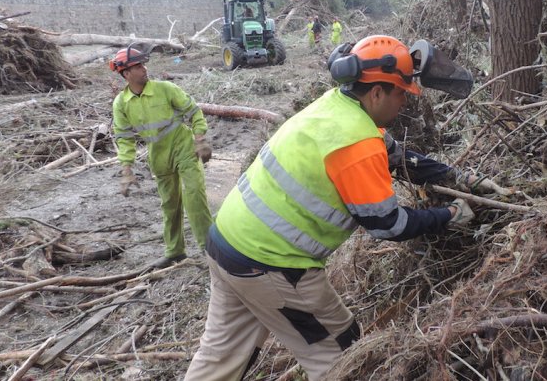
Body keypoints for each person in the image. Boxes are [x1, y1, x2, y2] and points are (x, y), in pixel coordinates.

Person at [184, 35, 482, 380]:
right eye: (401, 93)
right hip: (272, 265)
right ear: (377, 92)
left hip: (225, 243)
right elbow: (389, 224)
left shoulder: (336, 105)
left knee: (219, 355)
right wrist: (450, 215)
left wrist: (457, 177)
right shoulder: (358, 142)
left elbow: (396, 156)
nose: (404, 103)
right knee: (342, 356)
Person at [110, 44, 213, 269]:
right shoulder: (121, 104)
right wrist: (126, 170)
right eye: (138, 66)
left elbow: (194, 112)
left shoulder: (165, 88)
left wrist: (200, 140)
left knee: (194, 194)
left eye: (143, 64)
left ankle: (210, 251)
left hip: (183, 146)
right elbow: (124, 138)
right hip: (158, 156)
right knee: (169, 204)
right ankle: (175, 252)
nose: (144, 69)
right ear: (126, 74)